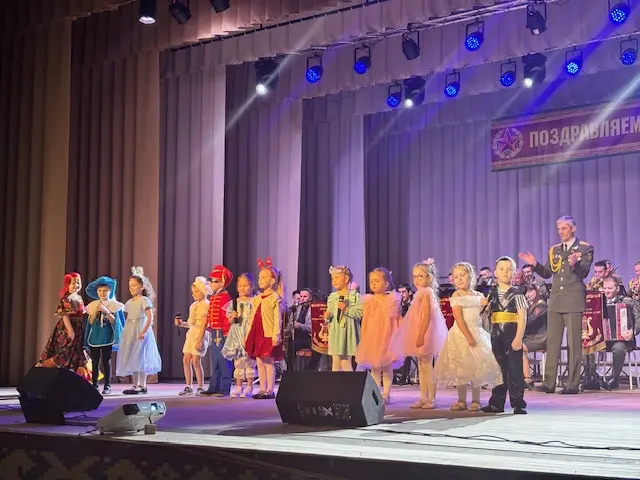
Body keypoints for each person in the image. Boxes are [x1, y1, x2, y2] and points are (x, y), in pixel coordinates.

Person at [519, 215, 594, 394]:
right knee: (552, 341)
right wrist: (535, 264)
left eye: (564, 228)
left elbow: (584, 272)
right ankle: (549, 382)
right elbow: (547, 273)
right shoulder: (554, 250)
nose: (561, 232)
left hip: (573, 299)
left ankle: (572, 384)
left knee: (574, 343)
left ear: (573, 229)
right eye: (559, 229)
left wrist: (575, 264)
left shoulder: (584, 248)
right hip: (556, 300)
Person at [433, 262, 502, 412]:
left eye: (462, 275)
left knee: (477, 368)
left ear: (470, 276)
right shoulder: (456, 295)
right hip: (461, 334)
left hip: (477, 331)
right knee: (462, 369)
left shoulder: (479, 295)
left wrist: (487, 307)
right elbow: (459, 318)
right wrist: (469, 337)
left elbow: (482, 314)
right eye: (456, 276)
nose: (459, 279)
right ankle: (461, 400)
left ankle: (476, 400)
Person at [394, 259, 447, 409]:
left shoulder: (426, 293)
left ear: (429, 278)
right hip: (419, 330)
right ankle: (424, 397)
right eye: (414, 276)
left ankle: (432, 398)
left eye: (420, 276)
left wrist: (421, 334)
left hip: (426, 333)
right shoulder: (420, 293)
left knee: (427, 367)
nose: (416, 280)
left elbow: (427, 316)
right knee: (422, 366)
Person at [481, 257, 527, 414]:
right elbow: (484, 314)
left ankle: (518, 403)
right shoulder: (491, 293)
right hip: (496, 335)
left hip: (512, 334)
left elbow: (523, 317)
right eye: (501, 269)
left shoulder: (517, 294)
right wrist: (483, 307)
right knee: (497, 370)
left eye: (509, 269)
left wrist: (518, 338)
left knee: (514, 370)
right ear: (495, 272)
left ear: (514, 273)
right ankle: (496, 403)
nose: (505, 272)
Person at [355, 267, 404, 405]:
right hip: (373, 338)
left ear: (386, 283)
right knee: (375, 367)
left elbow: (398, 319)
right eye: (371, 281)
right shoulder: (368, 300)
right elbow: (365, 320)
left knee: (387, 367)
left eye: (377, 281)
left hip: (389, 338)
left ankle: (386, 393)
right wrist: (364, 337)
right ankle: (377, 393)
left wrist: (399, 336)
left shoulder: (392, 299)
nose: (373, 283)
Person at [117, 266, 162, 394]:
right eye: (130, 286)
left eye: (134, 285)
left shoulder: (144, 300)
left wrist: (143, 331)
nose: (131, 288)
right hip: (130, 331)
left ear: (142, 287)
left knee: (140, 357)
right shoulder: (129, 302)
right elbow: (127, 318)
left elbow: (150, 317)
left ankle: (143, 385)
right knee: (133, 357)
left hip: (140, 330)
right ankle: (135, 384)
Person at [85, 275, 125, 394]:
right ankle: (95, 385)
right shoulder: (93, 305)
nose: (102, 293)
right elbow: (90, 322)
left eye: (105, 290)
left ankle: (107, 385)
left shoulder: (114, 305)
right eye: (100, 290)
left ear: (110, 291)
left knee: (106, 361)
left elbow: (115, 322)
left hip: (108, 336)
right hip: (95, 336)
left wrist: (106, 311)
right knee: (95, 362)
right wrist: (96, 310)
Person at [175, 276, 212, 396]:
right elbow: (192, 324)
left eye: (196, 291)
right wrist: (181, 324)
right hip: (191, 334)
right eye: (193, 292)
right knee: (186, 359)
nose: (194, 294)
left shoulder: (206, 304)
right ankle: (188, 386)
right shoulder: (193, 305)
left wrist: (200, 340)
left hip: (200, 334)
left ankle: (200, 386)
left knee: (196, 361)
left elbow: (204, 325)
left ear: (203, 291)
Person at [602, 276, 640, 389]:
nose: (607, 291)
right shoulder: (599, 302)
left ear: (617, 288)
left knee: (618, 348)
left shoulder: (627, 301)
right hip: (603, 340)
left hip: (624, 340)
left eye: (610, 288)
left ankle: (614, 379)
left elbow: (638, 319)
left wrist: (632, 332)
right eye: (605, 288)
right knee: (586, 346)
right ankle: (591, 378)